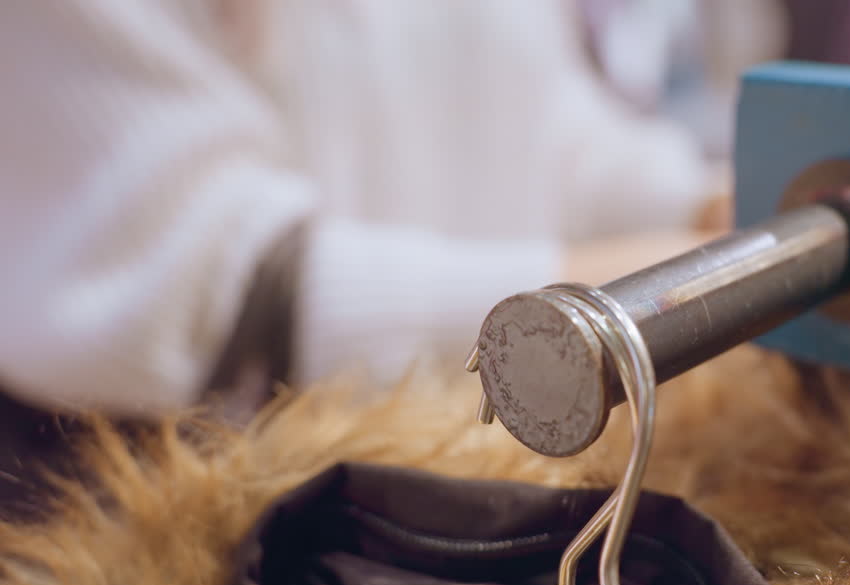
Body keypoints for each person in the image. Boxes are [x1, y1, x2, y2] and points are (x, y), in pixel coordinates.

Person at [0, 1, 730, 421]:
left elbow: (546, 133)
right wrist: (612, 290)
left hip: (480, 464)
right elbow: (214, 289)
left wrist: (708, 208)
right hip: (180, 563)